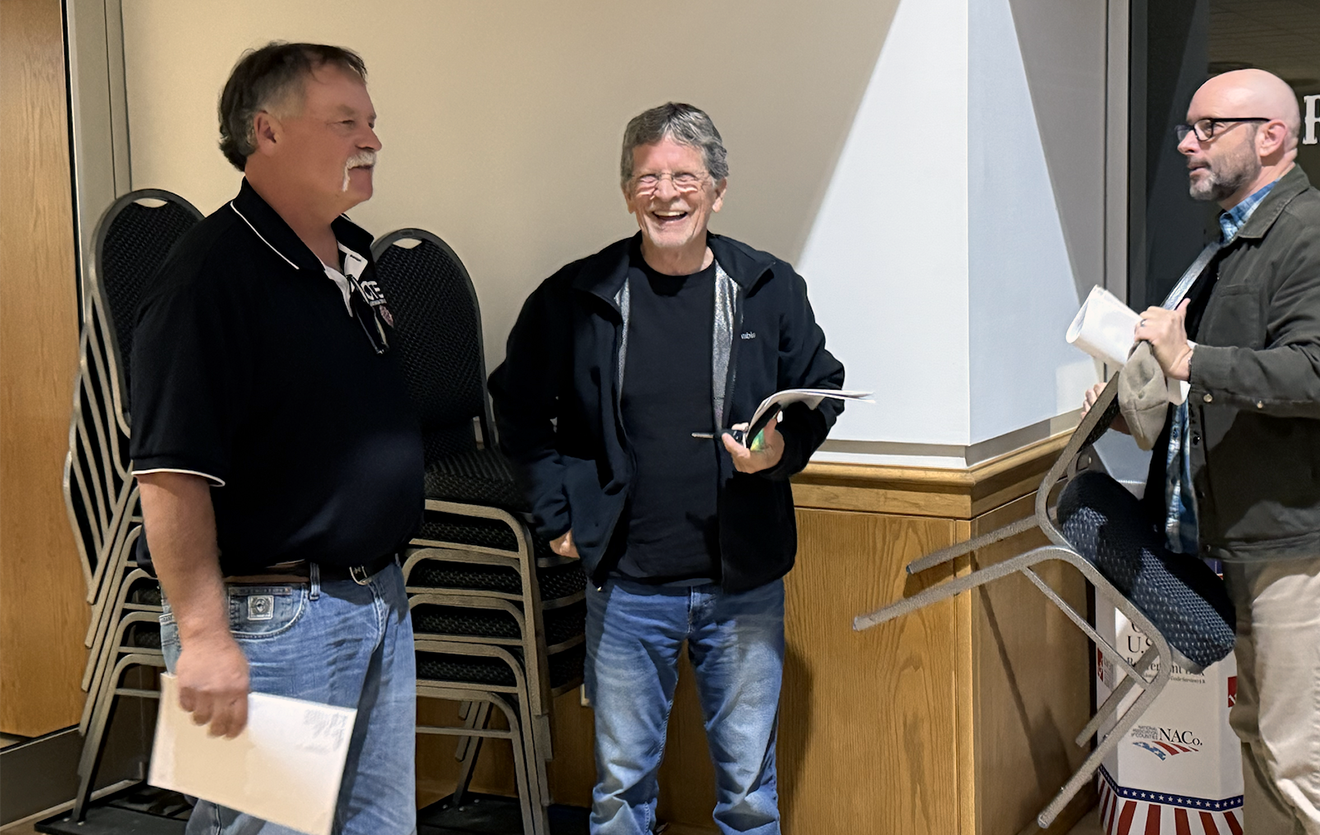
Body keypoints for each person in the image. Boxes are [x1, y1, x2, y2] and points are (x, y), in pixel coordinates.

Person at [489, 102, 845, 835]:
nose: (666, 194)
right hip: (626, 583)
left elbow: (823, 388)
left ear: (718, 189)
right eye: (648, 178)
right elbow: (516, 406)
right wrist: (557, 516)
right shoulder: (577, 295)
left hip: (743, 583)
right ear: (627, 193)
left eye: (685, 176)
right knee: (621, 790)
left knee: (748, 794)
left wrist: (782, 451)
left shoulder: (768, 286)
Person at [1085, 68, 1320, 834]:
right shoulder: (1239, 245)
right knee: (1263, 744)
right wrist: (1142, 398)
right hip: (1261, 539)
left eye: (1209, 128)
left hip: (1310, 543)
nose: (1186, 144)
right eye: (1187, 128)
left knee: (1308, 766)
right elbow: (1226, 383)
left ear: (1272, 137)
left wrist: (1189, 357)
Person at [129, 42, 422, 835]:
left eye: (371, 122)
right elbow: (170, 475)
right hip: (265, 619)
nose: (371, 140)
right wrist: (203, 638)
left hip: (374, 599)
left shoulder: (351, 256)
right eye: (345, 122)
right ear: (268, 131)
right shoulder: (206, 281)